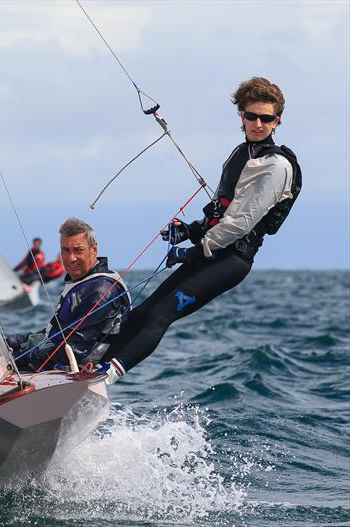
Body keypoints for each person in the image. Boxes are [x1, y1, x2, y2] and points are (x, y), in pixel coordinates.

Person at [98, 77, 301, 384]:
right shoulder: (241, 154)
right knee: (141, 312)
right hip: (213, 250)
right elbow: (221, 214)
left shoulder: (275, 166)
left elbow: (241, 222)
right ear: (242, 116)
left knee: (160, 315)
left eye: (266, 118)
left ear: (277, 121)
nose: (258, 123)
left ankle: (103, 379)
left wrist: (197, 249)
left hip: (232, 259)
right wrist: (190, 231)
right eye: (251, 116)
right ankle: (85, 368)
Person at [8, 218, 131, 371]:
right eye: (65, 250)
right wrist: (18, 342)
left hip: (77, 370)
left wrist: (20, 357)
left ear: (94, 250)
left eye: (78, 250)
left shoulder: (99, 291)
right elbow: (56, 336)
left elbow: (74, 349)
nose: (71, 258)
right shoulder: (83, 283)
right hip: (56, 360)